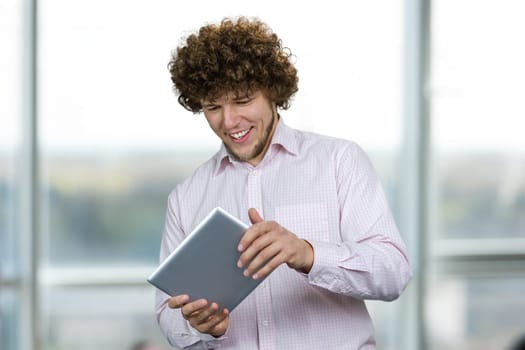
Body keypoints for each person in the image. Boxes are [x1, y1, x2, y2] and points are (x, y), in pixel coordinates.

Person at [155, 16, 412, 349]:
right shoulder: (186, 198)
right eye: (213, 106)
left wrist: (308, 254)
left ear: (273, 92)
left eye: (243, 100)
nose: (229, 121)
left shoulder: (338, 161)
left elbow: (393, 272)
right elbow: (167, 311)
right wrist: (203, 326)